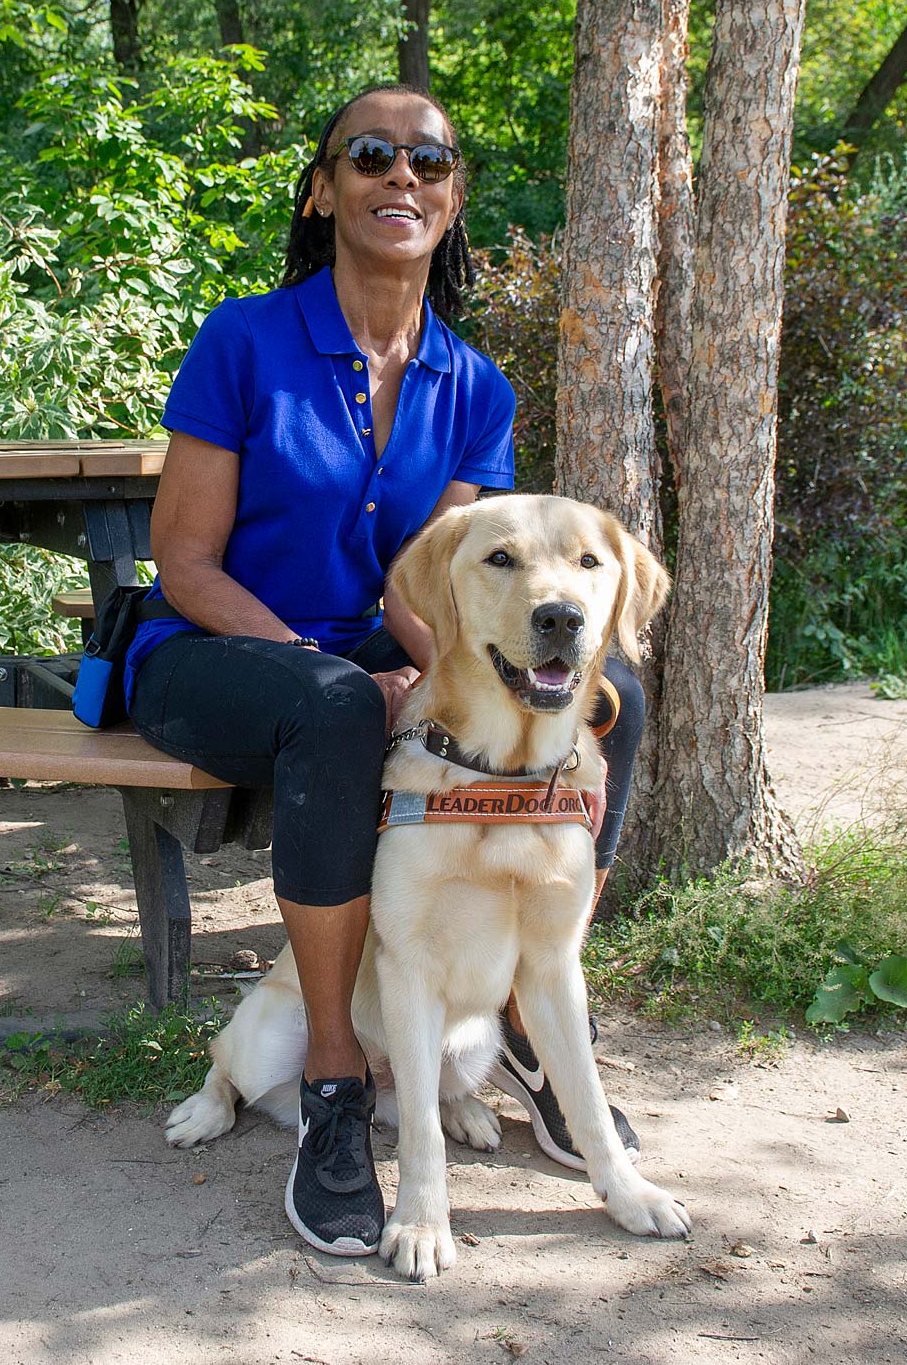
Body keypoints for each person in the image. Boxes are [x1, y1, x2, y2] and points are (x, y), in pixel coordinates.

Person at [126, 84, 648, 1258]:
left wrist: (468, 688)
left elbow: (457, 592)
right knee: (333, 712)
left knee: (617, 701)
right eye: (371, 156)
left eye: (428, 161)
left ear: (452, 201)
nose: (399, 176)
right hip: (209, 646)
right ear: (324, 190)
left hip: (364, 647)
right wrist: (348, 673)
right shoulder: (244, 340)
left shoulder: (476, 385)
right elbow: (187, 563)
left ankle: (525, 1011)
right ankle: (329, 1080)